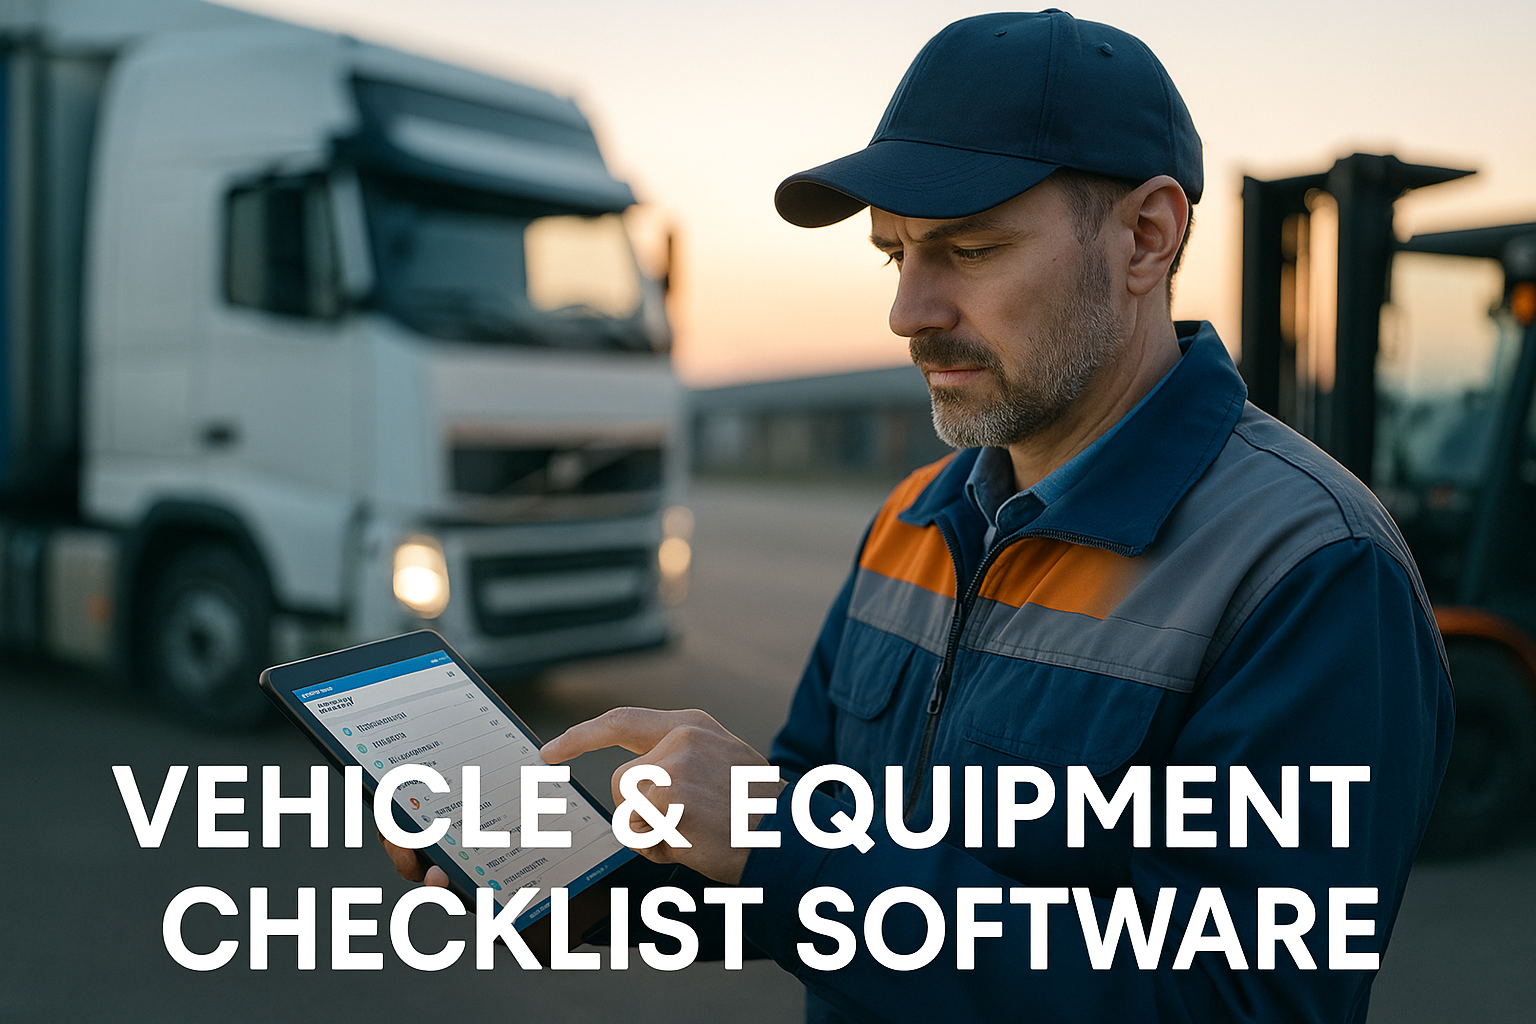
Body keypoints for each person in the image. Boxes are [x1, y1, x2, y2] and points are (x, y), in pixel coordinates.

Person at [388, 11, 1452, 1022]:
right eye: (896, 254)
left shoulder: (1309, 570)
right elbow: (806, 866)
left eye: (972, 250)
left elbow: (1237, 1004)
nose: (908, 312)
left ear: (1147, 237)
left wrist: (785, 845)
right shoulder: (915, 517)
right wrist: (576, 888)